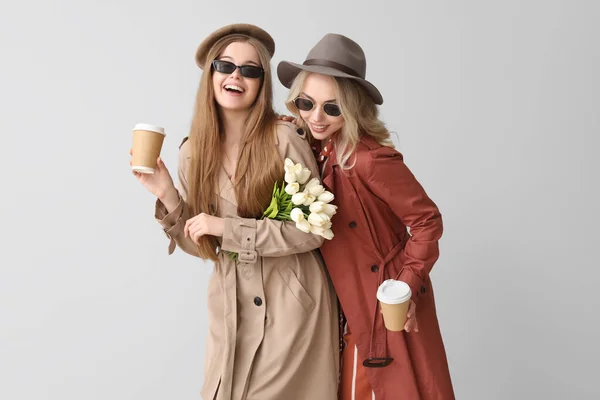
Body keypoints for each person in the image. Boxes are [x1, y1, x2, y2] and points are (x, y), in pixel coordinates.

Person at [131, 24, 339, 400]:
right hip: (231, 307)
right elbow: (207, 245)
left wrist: (227, 227)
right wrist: (168, 196)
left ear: (262, 84)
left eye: (250, 69)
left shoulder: (284, 139)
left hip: (292, 306)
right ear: (211, 74)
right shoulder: (192, 152)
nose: (236, 76)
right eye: (225, 66)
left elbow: (313, 231)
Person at [277, 33, 455, 400]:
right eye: (306, 103)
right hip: (339, 303)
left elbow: (427, 221)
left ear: (353, 109)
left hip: (380, 301)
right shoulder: (316, 148)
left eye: (332, 107)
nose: (316, 116)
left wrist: (405, 285)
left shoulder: (368, 159)